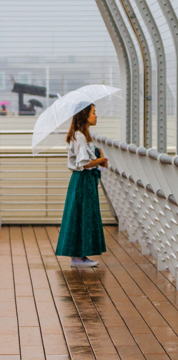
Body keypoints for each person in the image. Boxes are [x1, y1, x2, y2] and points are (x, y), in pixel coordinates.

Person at [55, 104, 108, 267]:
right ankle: (78, 257)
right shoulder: (80, 136)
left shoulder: (81, 136)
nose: (96, 116)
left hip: (83, 180)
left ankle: (80, 255)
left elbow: (83, 160)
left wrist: (97, 156)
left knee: (80, 214)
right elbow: (83, 163)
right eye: (93, 112)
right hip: (83, 181)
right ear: (84, 115)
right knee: (82, 214)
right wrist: (100, 160)